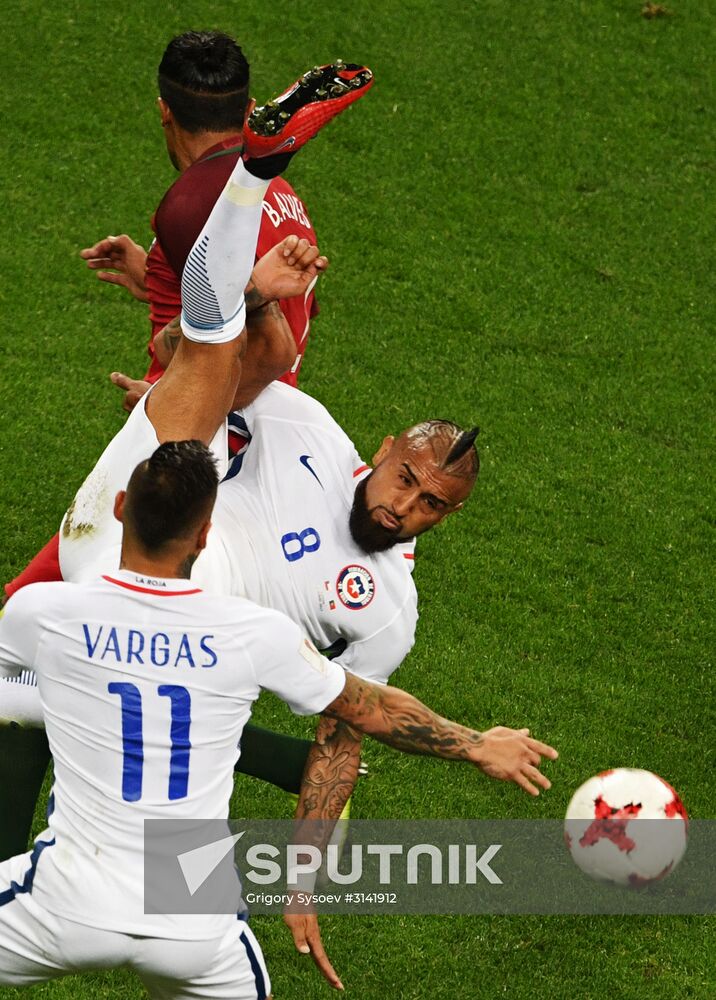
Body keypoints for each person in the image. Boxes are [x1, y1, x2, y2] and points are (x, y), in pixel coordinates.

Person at [0, 86, 541, 986]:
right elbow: (364, 715)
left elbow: (344, 738)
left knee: (228, 358)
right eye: (408, 479)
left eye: (433, 505)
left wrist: (303, 881)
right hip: (176, 624)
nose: (408, 506)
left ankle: (253, 175)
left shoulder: (385, 614)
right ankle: (251, 198)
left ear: (450, 519)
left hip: (115, 571)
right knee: (256, 356)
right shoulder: (307, 439)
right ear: (380, 454)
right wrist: (473, 742)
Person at [0, 439, 558, 998]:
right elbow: (375, 710)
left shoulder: (43, 614)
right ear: (203, 534)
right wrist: (476, 743)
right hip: (195, 922)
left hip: (62, 902)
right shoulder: (253, 635)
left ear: (119, 508)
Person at [80, 31, 334, 396]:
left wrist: (160, 404)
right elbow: (299, 308)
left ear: (164, 111)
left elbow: (265, 348)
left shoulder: (192, 206)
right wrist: (161, 278)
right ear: (249, 111)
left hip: (215, 432)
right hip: (273, 423)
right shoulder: (282, 194)